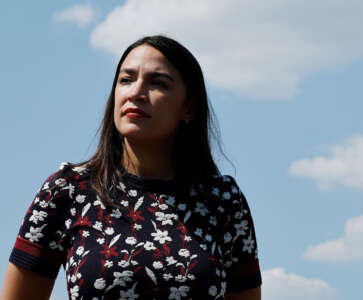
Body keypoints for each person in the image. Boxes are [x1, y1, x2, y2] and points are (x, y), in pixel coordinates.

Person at [0, 35, 262, 300]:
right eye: (126, 80)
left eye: (158, 83)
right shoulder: (67, 190)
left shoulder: (223, 200)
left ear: (189, 108)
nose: (136, 92)